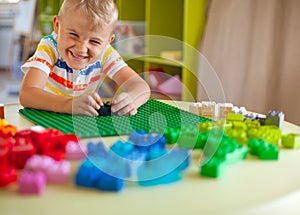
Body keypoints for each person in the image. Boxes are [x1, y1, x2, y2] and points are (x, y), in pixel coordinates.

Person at [19, 0, 150, 117]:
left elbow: (140, 86)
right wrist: (69, 105)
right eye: (73, 35)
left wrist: (132, 99)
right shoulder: (49, 48)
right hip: (44, 119)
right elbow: (27, 94)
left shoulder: (106, 53)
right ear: (57, 26)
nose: (81, 48)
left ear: (107, 42)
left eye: (94, 41)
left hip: (79, 123)